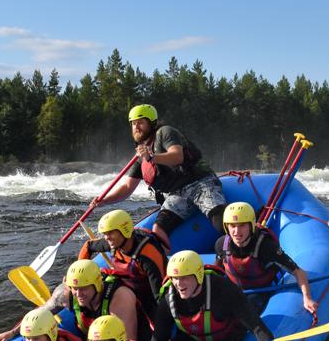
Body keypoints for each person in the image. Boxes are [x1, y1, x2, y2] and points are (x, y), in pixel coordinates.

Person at [90, 104, 227, 245]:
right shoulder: (140, 156)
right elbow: (127, 188)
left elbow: (177, 156)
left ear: (152, 123)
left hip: (200, 182)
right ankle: (163, 263)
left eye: (141, 123)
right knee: (158, 230)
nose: (136, 127)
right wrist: (105, 200)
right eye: (133, 124)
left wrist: (151, 157)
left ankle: (239, 249)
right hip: (176, 195)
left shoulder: (165, 132)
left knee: (218, 218)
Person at [150, 250, 290, 341]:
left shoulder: (223, 290)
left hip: (226, 337)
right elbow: (159, 340)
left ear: (198, 275)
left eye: (185, 277)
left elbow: (256, 325)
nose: (179, 284)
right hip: (193, 339)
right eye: (175, 278)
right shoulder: (168, 301)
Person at [0, 259, 149, 341]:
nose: (78, 294)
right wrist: (12, 332)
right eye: (75, 288)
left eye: (84, 289)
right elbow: (41, 313)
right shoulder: (65, 294)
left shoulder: (120, 298)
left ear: (97, 284)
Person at [215, 201, 320, 315]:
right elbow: (218, 269)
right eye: (232, 226)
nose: (236, 232)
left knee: (248, 306)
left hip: (260, 292)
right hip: (235, 290)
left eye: (242, 225)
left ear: (251, 226)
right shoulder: (222, 244)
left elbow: (299, 272)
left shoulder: (266, 247)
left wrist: (307, 298)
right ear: (226, 227)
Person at [78, 208, 167, 321]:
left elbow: (160, 295)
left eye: (110, 232)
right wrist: (79, 273)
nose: (106, 238)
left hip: (146, 294)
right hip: (122, 286)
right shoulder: (114, 242)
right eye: (105, 233)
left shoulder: (148, 254)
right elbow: (88, 246)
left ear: (124, 231)